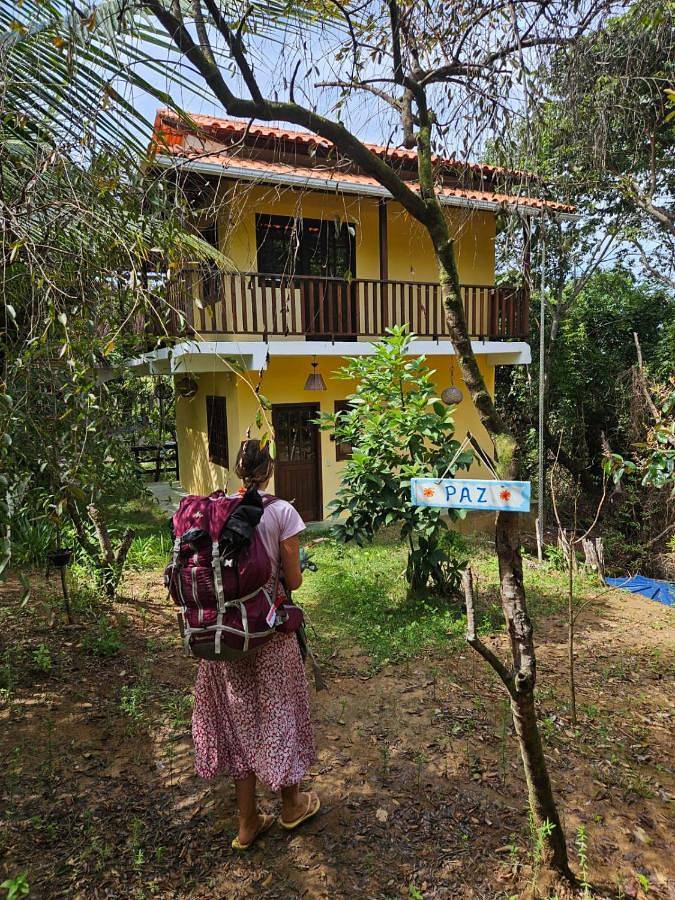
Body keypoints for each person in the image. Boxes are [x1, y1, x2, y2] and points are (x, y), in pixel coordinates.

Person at [191, 439, 319, 850]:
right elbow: (294, 581)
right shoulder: (281, 511)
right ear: (270, 468)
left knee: (237, 721)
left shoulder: (217, 511)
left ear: (236, 468)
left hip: (224, 635)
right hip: (268, 632)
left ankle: (247, 823)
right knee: (279, 712)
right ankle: (291, 804)